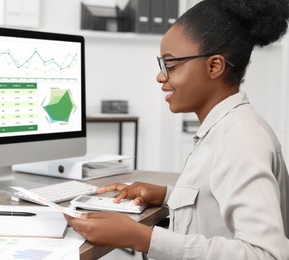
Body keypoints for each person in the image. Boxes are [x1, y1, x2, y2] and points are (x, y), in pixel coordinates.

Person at [64, 0, 289, 259]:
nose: (161, 77)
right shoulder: (224, 128)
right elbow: (215, 208)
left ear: (214, 66)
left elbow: (267, 254)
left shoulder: (241, 138)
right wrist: (169, 195)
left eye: (170, 66)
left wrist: (141, 237)